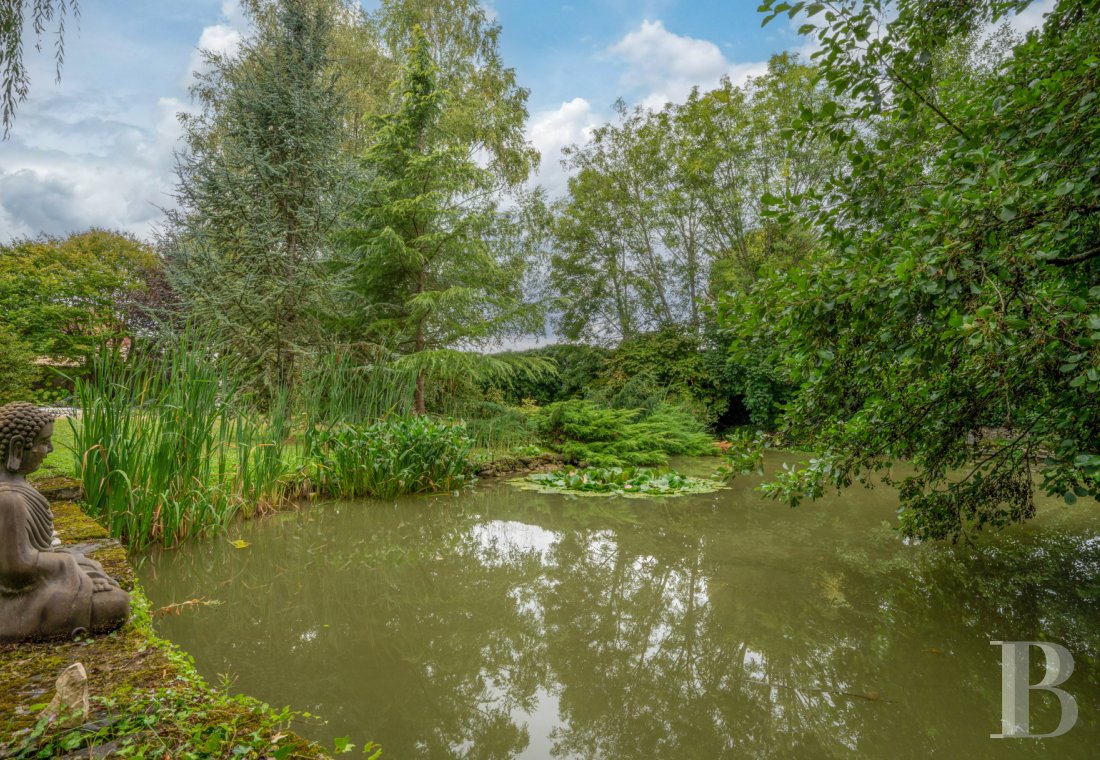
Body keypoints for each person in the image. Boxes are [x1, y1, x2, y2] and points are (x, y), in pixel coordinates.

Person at [0, 402, 129, 642]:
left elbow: (37, 552)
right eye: (43, 442)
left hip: (35, 578)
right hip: (14, 597)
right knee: (116, 604)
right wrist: (69, 566)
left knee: (92, 566)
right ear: (18, 447)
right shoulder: (8, 499)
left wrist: (79, 566)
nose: (49, 449)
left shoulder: (16, 489)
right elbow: (15, 566)